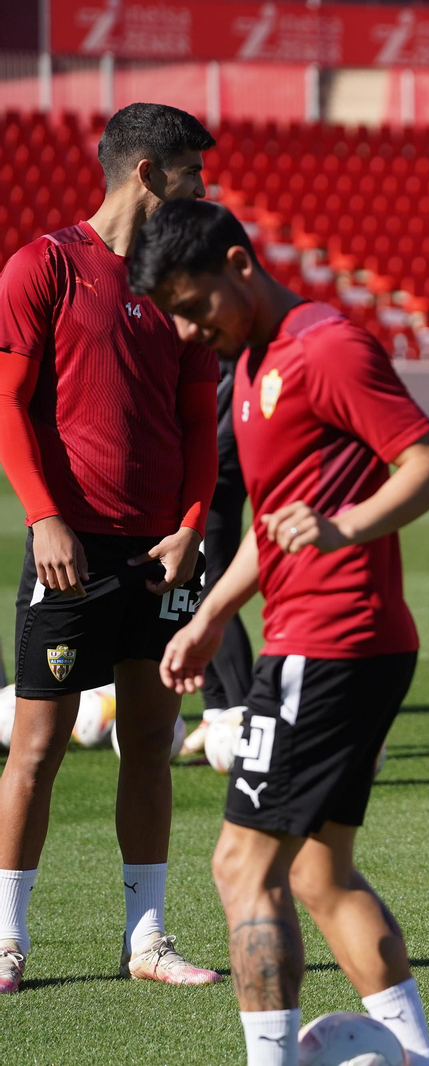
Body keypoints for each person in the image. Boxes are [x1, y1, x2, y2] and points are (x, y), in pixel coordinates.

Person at [131, 199, 429, 1066]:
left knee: (241, 866)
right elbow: (271, 524)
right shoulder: (252, 367)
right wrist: (209, 616)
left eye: (198, 308)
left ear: (241, 265)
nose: (195, 331)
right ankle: (418, 1058)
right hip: (324, 640)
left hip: (334, 640)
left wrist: (348, 527)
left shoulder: (325, 347)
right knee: (317, 872)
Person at [0, 102, 223, 995]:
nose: (203, 189)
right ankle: (8, 939)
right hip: (71, 544)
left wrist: (193, 524)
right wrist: (43, 515)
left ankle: (147, 941)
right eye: (193, 174)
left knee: (150, 741)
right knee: (39, 747)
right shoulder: (43, 265)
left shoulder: (182, 277)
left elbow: (195, 423)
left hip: (161, 549)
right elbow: (10, 405)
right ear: (146, 172)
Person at [202, 354, 254, 711]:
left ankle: (243, 713)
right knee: (198, 591)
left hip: (216, 472)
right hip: (214, 467)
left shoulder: (219, 333)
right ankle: (218, 713)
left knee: (214, 590)